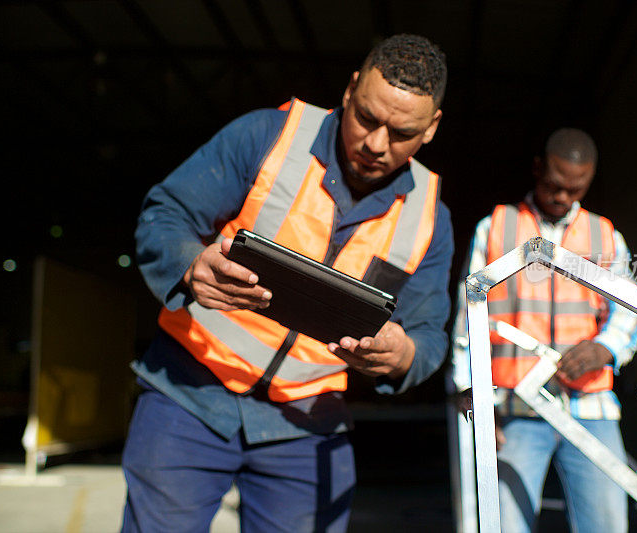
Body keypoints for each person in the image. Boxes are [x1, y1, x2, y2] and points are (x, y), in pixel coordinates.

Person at [122, 34, 453, 533]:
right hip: (188, 393)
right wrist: (191, 264)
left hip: (307, 423)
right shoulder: (267, 136)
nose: (376, 144)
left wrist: (402, 356)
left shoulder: (430, 219)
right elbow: (165, 216)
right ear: (350, 90)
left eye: (402, 132)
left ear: (432, 128)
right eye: (367, 117)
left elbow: (428, 334)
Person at [451, 128, 637, 532]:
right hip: (516, 408)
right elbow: (469, 319)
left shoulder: (605, 235)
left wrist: (604, 348)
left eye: (575, 190)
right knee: (504, 524)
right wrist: (468, 388)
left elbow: (630, 311)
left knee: (606, 524)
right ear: (538, 168)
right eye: (555, 186)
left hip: (591, 406)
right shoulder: (496, 227)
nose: (563, 198)